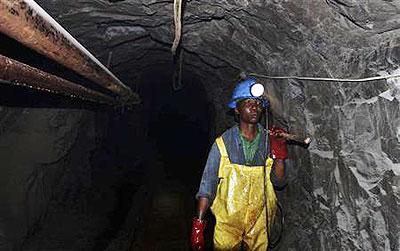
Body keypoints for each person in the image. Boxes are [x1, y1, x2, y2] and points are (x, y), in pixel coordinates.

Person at [191, 77, 288, 250]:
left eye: (258, 103)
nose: (255, 107)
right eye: (248, 103)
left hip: (259, 223)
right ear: (237, 109)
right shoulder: (222, 144)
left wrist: (279, 155)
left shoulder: (269, 141)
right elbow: (207, 187)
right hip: (228, 224)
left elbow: (279, 182)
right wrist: (198, 225)